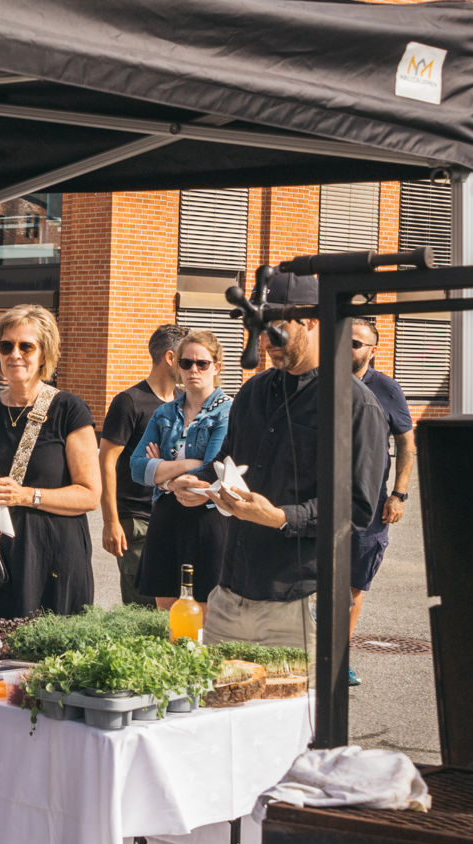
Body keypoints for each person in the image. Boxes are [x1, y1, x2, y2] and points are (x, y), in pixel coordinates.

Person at [168, 271, 386, 648]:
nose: (265, 340)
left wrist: (281, 518)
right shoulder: (253, 392)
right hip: (231, 594)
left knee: (294, 708)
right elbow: (228, 460)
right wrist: (199, 482)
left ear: (313, 320)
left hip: (300, 603)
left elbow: (357, 507)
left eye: (275, 326)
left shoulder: (356, 405)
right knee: (214, 704)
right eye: (259, 327)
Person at [0, 304, 101, 623]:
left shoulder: (69, 410)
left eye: (26, 346)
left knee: (42, 661)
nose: (14, 354)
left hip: (51, 556)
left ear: (44, 353)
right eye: (6, 346)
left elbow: (90, 495)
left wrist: (26, 495)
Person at [131, 331, 232, 607]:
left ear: (217, 367)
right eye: (186, 363)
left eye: (202, 363)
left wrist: (162, 471)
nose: (193, 370)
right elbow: (137, 467)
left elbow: (211, 469)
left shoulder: (227, 412)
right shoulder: (164, 413)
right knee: (167, 609)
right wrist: (188, 465)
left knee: (203, 609)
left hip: (207, 518)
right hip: (166, 514)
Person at [98, 323, 187, 605]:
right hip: (137, 523)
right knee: (143, 609)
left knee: (176, 606)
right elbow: (106, 461)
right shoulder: (129, 402)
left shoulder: (183, 404)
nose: (192, 366)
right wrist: (111, 522)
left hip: (174, 517)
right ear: (170, 358)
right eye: (186, 359)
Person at [348, 318, 417, 658]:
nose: (348, 348)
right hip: (317, 499)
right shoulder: (318, 382)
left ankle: (338, 657)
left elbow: (406, 444)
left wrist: (399, 494)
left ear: (373, 351)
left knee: (353, 585)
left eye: (356, 343)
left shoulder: (386, 389)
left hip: (369, 503)